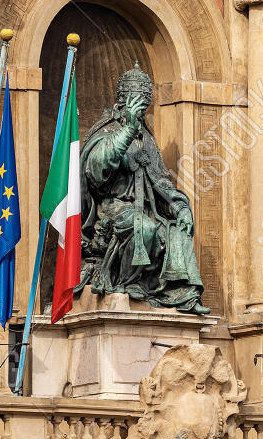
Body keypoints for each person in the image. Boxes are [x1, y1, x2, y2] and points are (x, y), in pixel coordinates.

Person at [79, 63, 208, 313]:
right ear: (124, 102)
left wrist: (180, 208)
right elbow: (96, 170)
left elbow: (161, 181)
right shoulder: (107, 131)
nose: (140, 113)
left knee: (177, 233)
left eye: (144, 108)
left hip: (145, 209)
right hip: (112, 208)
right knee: (145, 228)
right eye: (137, 106)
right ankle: (127, 283)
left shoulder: (146, 138)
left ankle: (185, 296)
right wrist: (127, 130)